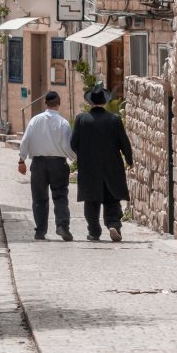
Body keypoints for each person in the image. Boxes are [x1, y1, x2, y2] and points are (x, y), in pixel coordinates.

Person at [71, 82, 133, 243]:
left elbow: (73, 143)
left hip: (89, 168)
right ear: (105, 101)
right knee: (112, 199)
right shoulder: (114, 119)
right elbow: (124, 143)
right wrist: (129, 160)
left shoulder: (81, 119)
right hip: (112, 167)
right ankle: (113, 224)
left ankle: (94, 231)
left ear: (90, 102)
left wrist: (83, 156)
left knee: (91, 202)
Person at [17, 91, 74, 241]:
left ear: (45, 104)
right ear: (59, 103)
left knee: (39, 198)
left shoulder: (35, 121)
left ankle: (40, 231)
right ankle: (62, 226)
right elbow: (68, 147)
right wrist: (76, 159)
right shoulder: (63, 123)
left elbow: (25, 141)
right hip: (58, 163)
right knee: (60, 196)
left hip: (39, 164)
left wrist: (21, 160)